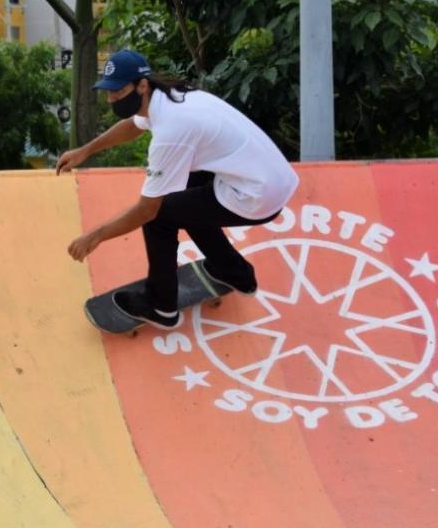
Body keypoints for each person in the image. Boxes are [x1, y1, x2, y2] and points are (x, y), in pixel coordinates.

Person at [57, 49, 299, 329]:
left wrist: (95, 236)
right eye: (109, 92)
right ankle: (234, 273)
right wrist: (85, 150)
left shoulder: (171, 132)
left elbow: (147, 210)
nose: (112, 99)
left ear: (142, 85)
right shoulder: (169, 97)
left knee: (160, 216)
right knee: (183, 202)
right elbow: (134, 126)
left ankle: (161, 306)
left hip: (256, 195)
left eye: (119, 91)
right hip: (265, 176)